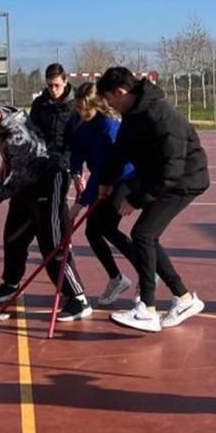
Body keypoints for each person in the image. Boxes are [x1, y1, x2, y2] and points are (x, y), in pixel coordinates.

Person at [96, 67, 209, 333]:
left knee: (144, 235)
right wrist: (105, 181)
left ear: (121, 92)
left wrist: (138, 199)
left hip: (185, 180)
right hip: (164, 177)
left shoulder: (160, 116)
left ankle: (146, 307)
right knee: (147, 235)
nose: (108, 106)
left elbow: (173, 168)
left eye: (109, 100)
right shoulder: (132, 115)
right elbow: (119, 152)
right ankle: (183, 299)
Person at [0, 94, 91, 323]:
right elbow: (18, 163)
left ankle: (78, 297)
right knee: (14, 234)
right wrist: (7, 161)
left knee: (52, 243)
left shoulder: (16, 135)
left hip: (48, 178)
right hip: (27, 177)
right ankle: (11, 283)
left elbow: (20, 177)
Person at [68, 82, 137, 307]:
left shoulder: (109, 127)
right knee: (92, 232)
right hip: (103, 180)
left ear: (97, 105)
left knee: (106, 227)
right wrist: (75, 172)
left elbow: (103, 169)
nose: (81, 112)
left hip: (124, 179)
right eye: (78, 108)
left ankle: (147, 270)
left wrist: (81, 203)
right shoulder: (83, 127)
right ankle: (117, 278)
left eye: (85, 108)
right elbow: (77, 153)